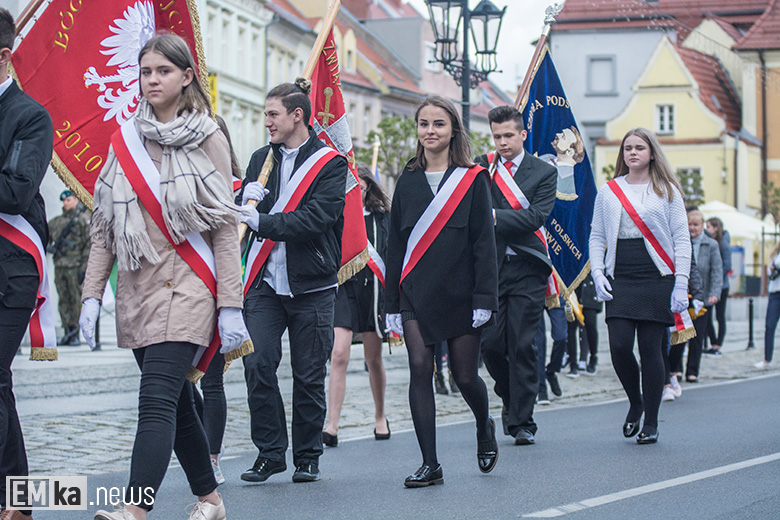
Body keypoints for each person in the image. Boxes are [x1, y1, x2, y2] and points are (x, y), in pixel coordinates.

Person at [81, 34, 250, 520]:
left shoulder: (208, 136)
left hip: (189, 285)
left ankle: (134, 510)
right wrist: (91, 294)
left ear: (187, 76)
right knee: (177, 403)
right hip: (138, 288)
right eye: (146, 71)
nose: (152, 80)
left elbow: (223, 227)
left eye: (163, 71)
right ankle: (211, 500)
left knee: (154, 400)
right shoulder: (125, 139)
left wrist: (230, 304)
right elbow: (105, 225)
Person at [237, 79, 347, 485]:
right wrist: (241, 200)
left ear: (296, 115)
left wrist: (262, 220)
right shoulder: (259, 160)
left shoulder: (331, 164)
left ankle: (307, 455)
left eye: (273, 114)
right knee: (257, 364)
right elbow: (247, 215)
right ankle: (270, 453)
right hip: (264, 283)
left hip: (312, 285)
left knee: (308, 374)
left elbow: (318, 218)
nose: (267, 122)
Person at [385, 95, 498, 486]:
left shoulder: (473, 179)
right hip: (415, 293)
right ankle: (430, 463)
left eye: (438, 124)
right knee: (420, 368)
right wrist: (390, 304)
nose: (430, 131)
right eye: (423, 124)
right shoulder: (408, 178)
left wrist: (485, 298)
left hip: (462, 294)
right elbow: (395, 245)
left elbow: (484, 243)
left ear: (453, 130)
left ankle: (484, 423)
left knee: (465, 377)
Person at [589, 127, 691, 445]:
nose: (632, 152)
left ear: (652, 153)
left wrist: (681, 283)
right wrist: (597, 273)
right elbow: (596, 235)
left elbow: (682, 239)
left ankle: (651, 422)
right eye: (628, 148)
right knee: (619, 346)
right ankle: (636, 401)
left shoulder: (667, 190)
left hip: (657, 276)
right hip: (621, 274)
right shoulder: (609, 191)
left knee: (650, 350)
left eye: (639, 148)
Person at [0, 8, 54, 519]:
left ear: (3, 56)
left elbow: (15, 191)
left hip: (10, 270)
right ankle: (18, 500)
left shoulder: (29, 116)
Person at [476, 105, 557, 446]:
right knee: (492, 345)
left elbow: (536, 217)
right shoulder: (481, 167)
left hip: (527, 267)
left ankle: (523, 420)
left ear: (523, 134)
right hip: (491, 268)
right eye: (497, 136)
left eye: (508, 135)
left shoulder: (544, 172)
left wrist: (493, 215)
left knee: (522, 344)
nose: (502, 142)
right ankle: (510, 397)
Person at [191, 114, 243, 486]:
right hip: (185, 292)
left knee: (212, 381)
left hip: (220, 291)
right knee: (180, 382)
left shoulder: (240, 188)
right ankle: (197, 447)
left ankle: (211, 457)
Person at [323, 163, 390, 447]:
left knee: (373, 359)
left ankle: (380, 416)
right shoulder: (336, 215)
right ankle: (332, 424)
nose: (354, 193)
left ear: (368, 188)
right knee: (339, 354)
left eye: (359, 188)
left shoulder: (381, 217)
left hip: (372, 291)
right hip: (343, 290)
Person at [669, 209, 721, 383]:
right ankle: (676, 369)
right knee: (680, 333)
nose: (692, 227)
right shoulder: (681, 240)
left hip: (702, 296)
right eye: (689, 224)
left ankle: (692, 371)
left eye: (696, 224)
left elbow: (717, 270)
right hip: (683, 293)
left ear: (702, 225)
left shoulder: (711, 244)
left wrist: (714, 293)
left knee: (697, 336)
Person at [47, 190, 90, 346]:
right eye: (64, 201)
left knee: (75, 300)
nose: (66, 203)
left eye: (69, 200)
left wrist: (84, 269)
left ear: (76, 200)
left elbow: (88, 246)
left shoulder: (82, 222)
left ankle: (75, 333)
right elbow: (47, 240)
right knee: (63, 300)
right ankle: (67, 330)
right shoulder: (55, 222)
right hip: (60, 266)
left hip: (75, 266)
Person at [704, 217, 731, 357]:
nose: (706, 229)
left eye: (708, 226)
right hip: (709, 286)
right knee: (707, 316)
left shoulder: (723, 244)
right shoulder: (709, 242)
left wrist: (717, 277)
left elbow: (727, 265)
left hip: (722, 286)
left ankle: (718, 345)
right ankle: (713, 342)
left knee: (720, 316)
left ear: (715, 228)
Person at [758, 242, 780, 369]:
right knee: (769, 325)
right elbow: (769, 271)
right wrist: (771, 270)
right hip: (775, 292)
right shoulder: (776, 252)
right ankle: (767, 359)